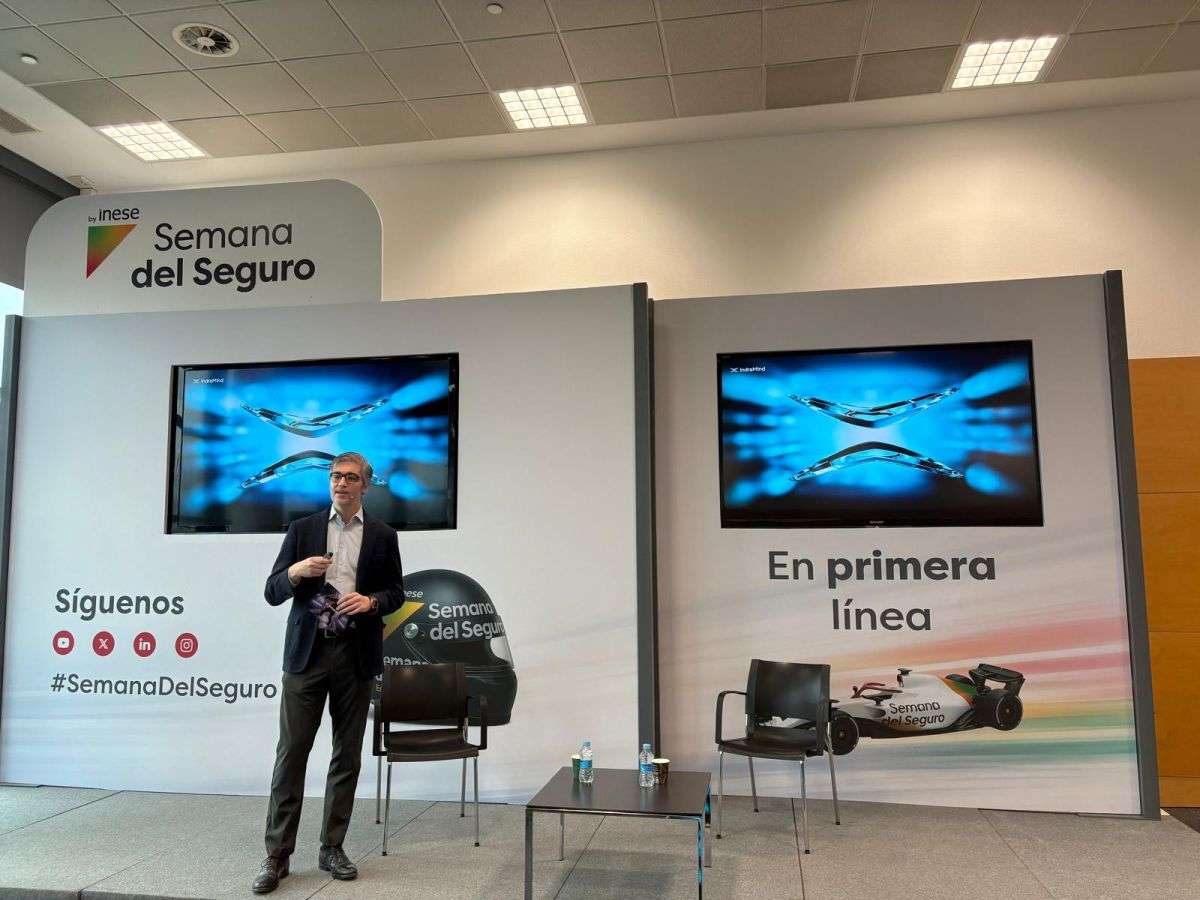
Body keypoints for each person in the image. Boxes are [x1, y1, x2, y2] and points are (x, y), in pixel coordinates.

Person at [253, 451, 404, 894]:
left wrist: (371, 602)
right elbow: (272, 591)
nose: (341, 483)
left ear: (366, 486)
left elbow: (396, 592)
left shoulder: (383, 535)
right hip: (307, 655)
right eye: (336, 476)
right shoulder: (302, 529)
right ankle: (277, 855)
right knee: (291, 754)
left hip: (355, 656)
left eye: (351, 477)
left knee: (346, 756)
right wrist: (296, 572)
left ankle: (332, 847)